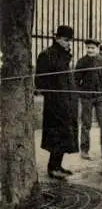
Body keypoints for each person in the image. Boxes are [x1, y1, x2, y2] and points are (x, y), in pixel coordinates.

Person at [34, 25, 79, 180]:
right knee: (56, 134)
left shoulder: (63, 54)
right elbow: (40, 81)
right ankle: (52, 168)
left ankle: (58, 165)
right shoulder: (47, 55)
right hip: (55, 103)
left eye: (70, 40)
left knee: (66, 134)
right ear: (57, 38)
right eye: (66, 40)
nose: (69, 43)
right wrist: (54, 95)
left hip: (67, 101)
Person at [75, 39, 102, 160]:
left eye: (92, 48)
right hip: (87, 97)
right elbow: (75, 80)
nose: (90, 50)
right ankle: (84, 150)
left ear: (97, 49)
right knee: (86, 124)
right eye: (88, 48)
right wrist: (81, 92)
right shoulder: (82, 62)